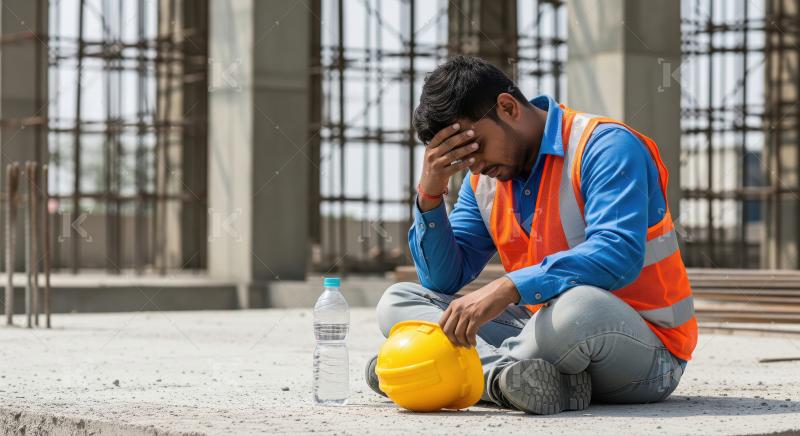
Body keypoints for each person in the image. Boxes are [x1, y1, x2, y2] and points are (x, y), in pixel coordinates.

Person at [365, 55, 696, 415]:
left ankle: (449, 373)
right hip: (540, 337)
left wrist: (508, 286)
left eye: (473, 147)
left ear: (507, 108)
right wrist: (429, 195)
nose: (472, 164)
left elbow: (617, 252)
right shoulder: (485, 181)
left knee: (578, 307)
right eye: (458, 156)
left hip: (646, 348)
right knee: (397, 301)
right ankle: (507, 379)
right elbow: (443, 279)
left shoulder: (605, 147)